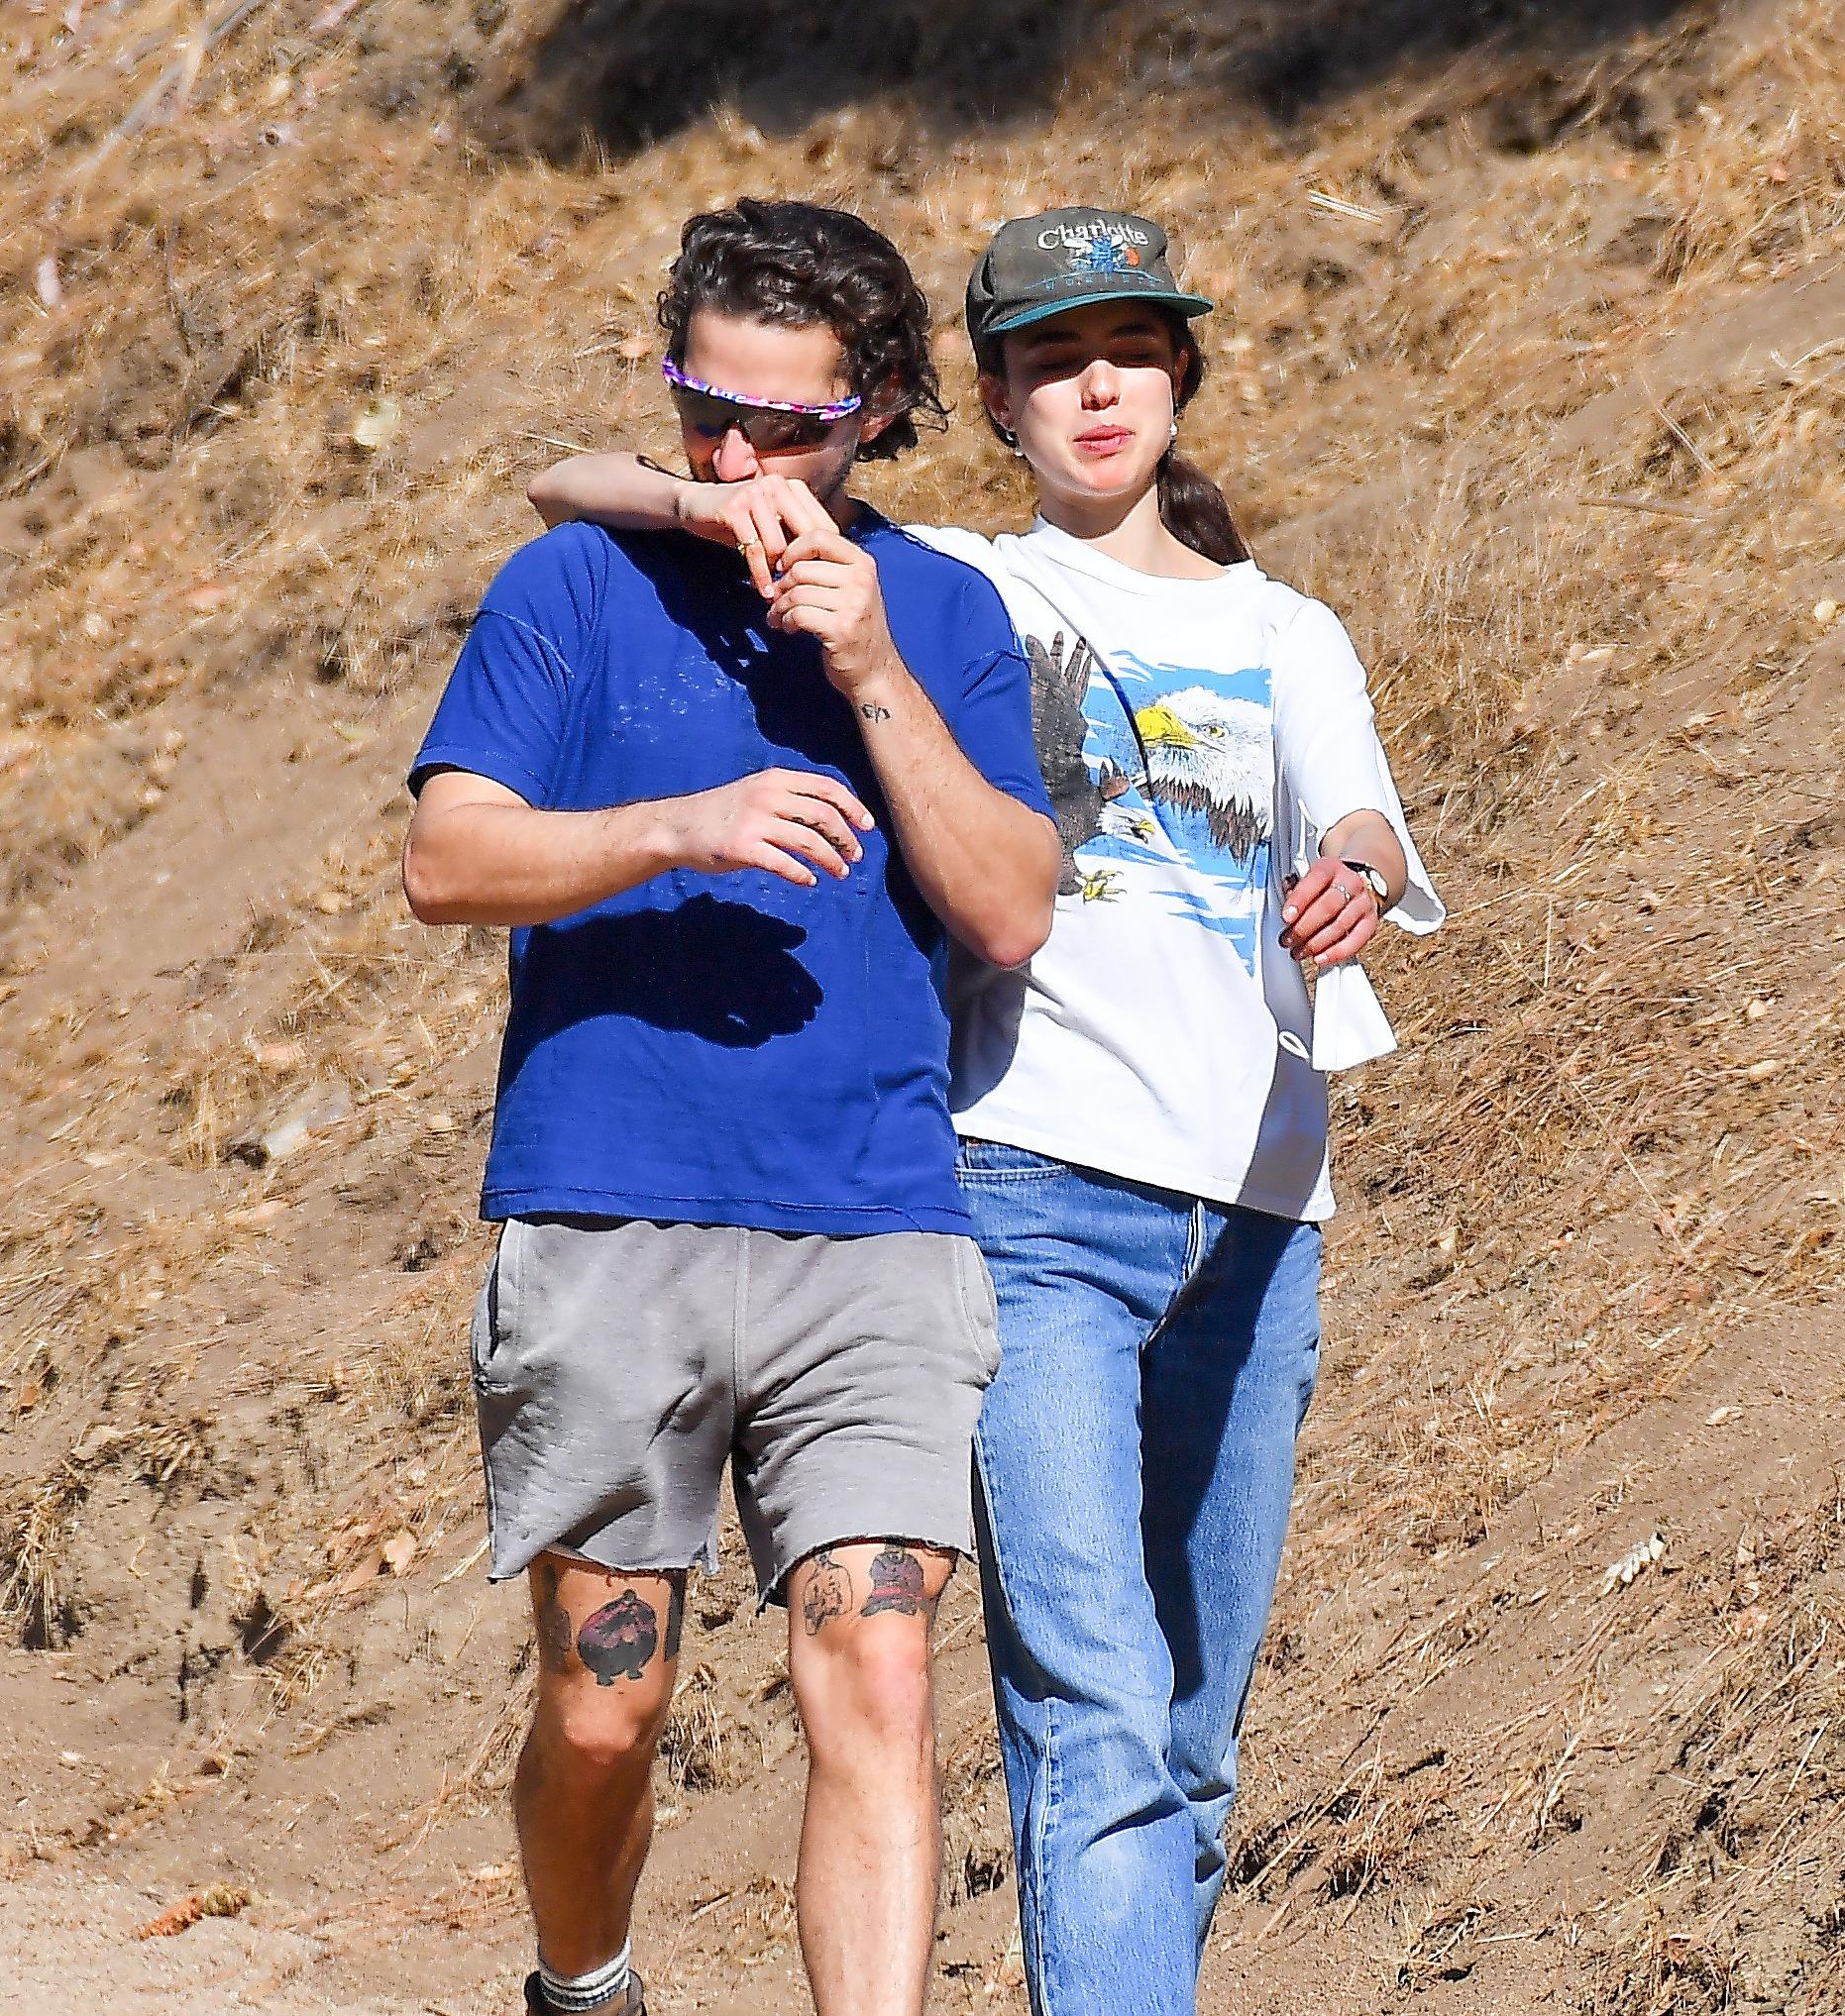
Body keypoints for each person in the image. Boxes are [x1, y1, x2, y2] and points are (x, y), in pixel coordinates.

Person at [528, 205, 1444, 2016]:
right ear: (985, 405)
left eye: (1130, 351)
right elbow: (567, 484)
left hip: (1262, 1202)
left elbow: (1368, 826)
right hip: (1030, 1184)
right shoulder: (948, 579)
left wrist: (1348, 861)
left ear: (1181, 373)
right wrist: (724, 500)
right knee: (1089, 1692)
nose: (1096, 388)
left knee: (1187, 1725)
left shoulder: (1290, 627)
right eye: (1046, 362)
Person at [405, 197, 1059, 2016]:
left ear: (882, 415)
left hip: (875, 1217)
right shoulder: (573, 586)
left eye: (789, 424)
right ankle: (585, 1982)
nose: (743, 455)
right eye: (711, 411)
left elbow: (1006, 908)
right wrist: (681, 827)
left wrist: (865, 673)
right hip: (613, 1206)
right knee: (605, 1710)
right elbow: (446, 862)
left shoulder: (945, 609)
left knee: (877, 1673)